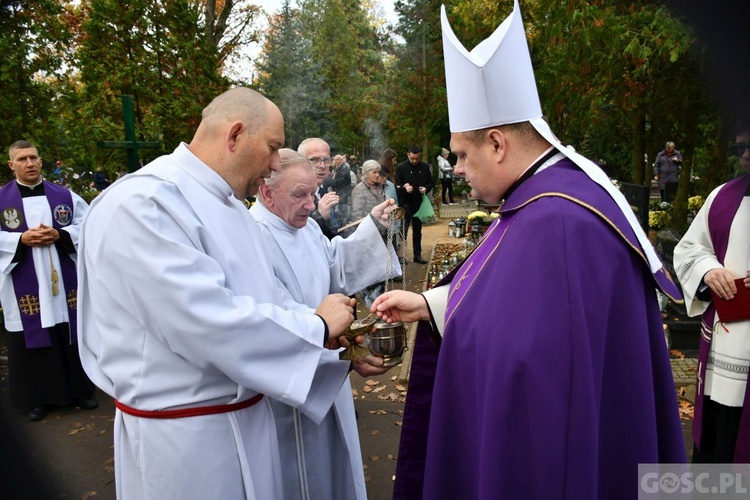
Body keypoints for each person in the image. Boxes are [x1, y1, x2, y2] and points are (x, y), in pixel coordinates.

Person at [372, 3, 685, 498]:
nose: (457, 169)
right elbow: (505, 302)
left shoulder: (556, 219)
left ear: (497, 143)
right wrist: (434, 304)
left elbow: (522, 359)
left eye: (461, 153)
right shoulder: (540, 201)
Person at [77, 88, 358, 499]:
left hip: (248, 422)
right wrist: (315, 326)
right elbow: (207, 320)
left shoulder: (228, 208)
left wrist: (336, 345)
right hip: (189, 443)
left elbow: (265, 303)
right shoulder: (144, 202)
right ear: (235, 134)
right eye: (274, 147)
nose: (276, 163)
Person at [250, 148, 399, 500]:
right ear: (267, 192)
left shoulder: (304, 228)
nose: (309, 204)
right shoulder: (253, 237)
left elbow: (334, 266)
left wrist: (373, 226)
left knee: (337, 470)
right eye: (298, 195)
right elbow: (276, 317)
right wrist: (342, 354)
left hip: (328, 372)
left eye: (312, 194)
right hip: (291, 390)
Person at [0, 140, 97, 422]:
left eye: (33, 157)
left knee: (68, 331)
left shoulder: (65, 196)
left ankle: (81, 391)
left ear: (41, 161)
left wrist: (61, 235)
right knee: (32, 336)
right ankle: (38, 399)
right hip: (24, 283)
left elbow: (89, 224)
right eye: (22, 159)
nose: (29, 163)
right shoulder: (2, 199)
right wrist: (19, 239)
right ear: (11, 165)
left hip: (63, 283)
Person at [673, 121, 750, 463]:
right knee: (719, 450)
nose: (744, 155)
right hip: (722, 352)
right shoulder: (722, 197)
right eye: (739, 148)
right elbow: (690, 248)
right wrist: (709, 270)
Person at [395, 146, 432, 264]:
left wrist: (425, 188)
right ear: (408, 155)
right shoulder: (401, 167)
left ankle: (417, 254)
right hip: (405, 203)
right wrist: (405, 187)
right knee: (403, 230)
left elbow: (430, 182)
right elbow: (396, 185)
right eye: (412, 158)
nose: (414, 161)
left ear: (420, 155)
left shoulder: (424, 167)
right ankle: (401, 256)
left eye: (416, 158)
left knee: (418, 230)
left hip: (418, 203)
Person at [298, 138, 339, 239]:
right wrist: (319, 216)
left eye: (326, 160)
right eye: (314, 160)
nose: (322, 165)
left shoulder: (328, 187)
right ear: (300, 162)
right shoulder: (292, 196)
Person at [331, 154, 353, 226]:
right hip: (341, 194)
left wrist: (331, 182)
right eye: (335, 160)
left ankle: (344, 227)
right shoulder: (338, 168)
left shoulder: (344, 169)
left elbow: (339, 182)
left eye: (337, 160)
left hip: (343, 194)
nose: (336, 161)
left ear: (341, 160)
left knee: (343, 213)